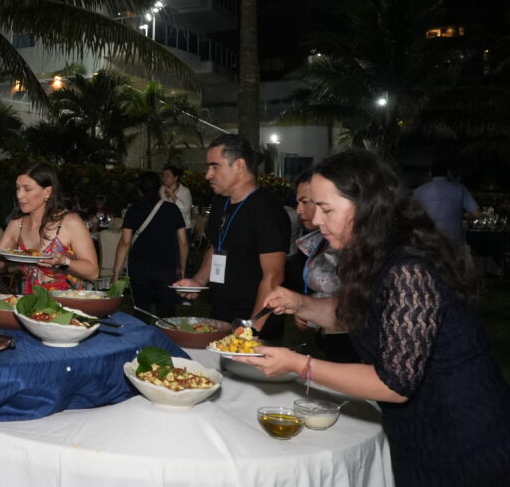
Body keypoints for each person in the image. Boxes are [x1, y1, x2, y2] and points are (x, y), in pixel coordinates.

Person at [236, 149, 510, 485]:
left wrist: (298, 364)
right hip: (420, 429)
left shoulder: (410, 268)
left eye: (326, 209)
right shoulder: (376, 254)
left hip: (465, 436)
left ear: (366, 206)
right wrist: (300, 303)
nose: (317, 220)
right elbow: (358, 314)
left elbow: (394, 383)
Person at [173, 134, 290, 340]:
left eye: (214, 166)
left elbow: (273, 277)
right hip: (221, 313)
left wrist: (252, 330)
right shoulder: (221, 202)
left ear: (239, 165)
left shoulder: (267, 210)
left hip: (254, 321)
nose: (208, 175)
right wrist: (199, 280)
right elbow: (217, 245)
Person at [0, 162, 98, 293]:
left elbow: (93, 273)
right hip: (31, 302)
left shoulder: (69, 222)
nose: (19, 195)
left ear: (47, 192)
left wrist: (64, 262)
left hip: (67, 301)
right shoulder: (16, 225)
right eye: (18, 188)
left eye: (27, 189)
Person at [285, 169, 357, 363]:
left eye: (324, 208)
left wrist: (298, 365)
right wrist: (304, 306)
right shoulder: (320, 240)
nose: (299, 210)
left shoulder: (399, 267)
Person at [112, 171, 187, 317]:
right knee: (166, 312)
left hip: (139, 267)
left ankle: (142, 331)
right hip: (166, 267)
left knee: (141, 310)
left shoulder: (133, 210)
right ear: (159, 188)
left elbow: (125, 243)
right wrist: (182, 267)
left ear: (139, 190)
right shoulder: (172, 209)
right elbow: (183, 242)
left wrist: (116, 272)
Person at [413, 156, 482, 250]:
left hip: (428, 244)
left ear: (430, 173)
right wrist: (461, 217)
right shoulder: (460, 189)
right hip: (455, 245)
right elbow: (477, 214)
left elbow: (410, 215)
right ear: (448, 172)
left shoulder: (419, 191)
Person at [160, 165, 193, 241]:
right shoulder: (161, 190)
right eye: (163, 175)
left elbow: (185, 210)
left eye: (168, 175)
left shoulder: (185, 191)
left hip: (182, 229)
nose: (164, 178)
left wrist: (172, 194)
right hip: (165, 229)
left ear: (176, 178)